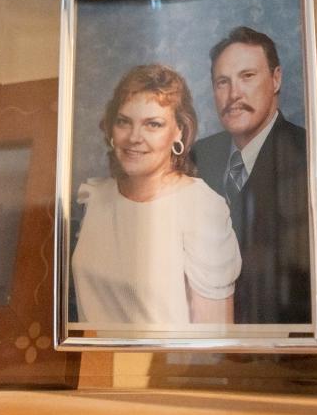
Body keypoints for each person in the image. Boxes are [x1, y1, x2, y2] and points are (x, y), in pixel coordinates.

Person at [71, 64, 241, 327]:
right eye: (124, 121)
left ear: (179, 132)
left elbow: (214, 342)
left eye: (153, 124)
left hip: (160, 368)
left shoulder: (201, 207)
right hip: (95, 364)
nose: (134, 137)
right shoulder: (95, 196)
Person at [193, 26, 311, 324]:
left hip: (280, 347)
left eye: (247, 76)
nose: (234, 94)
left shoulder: (309, 155)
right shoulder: (198, 157)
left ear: (276, 79)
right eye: (223, 82)